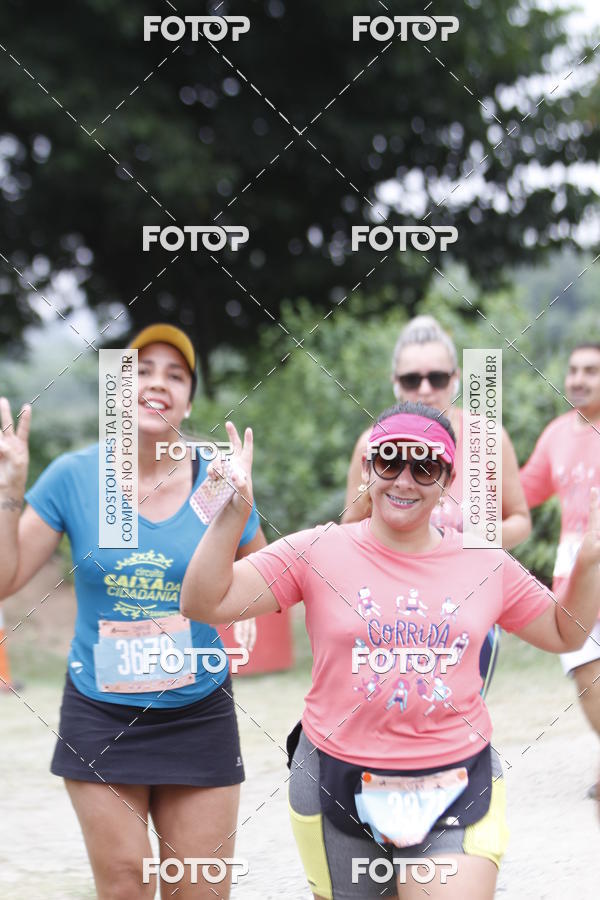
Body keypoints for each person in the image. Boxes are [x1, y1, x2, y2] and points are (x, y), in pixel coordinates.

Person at [180, 402, 600, 900]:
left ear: (447, 477)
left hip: (456, 779)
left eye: (424, 466)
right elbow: (204, 602)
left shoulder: (484, 561)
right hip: (335, 778)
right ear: (367, 469)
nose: (404, 479)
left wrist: (591, 559)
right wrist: (232, 515)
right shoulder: (319, 550)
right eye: (389, 460)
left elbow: (563, 632)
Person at [0, 323, 265, 900]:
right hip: (100, 713)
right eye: (141, 370)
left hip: (198, 711)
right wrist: (8, 489)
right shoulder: (73, 476)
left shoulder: (218, 479)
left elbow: (262, 581)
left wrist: (235, 513)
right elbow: (4, 579)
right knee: (124, 885)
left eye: (175, 375)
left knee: (198, 889)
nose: (157, 384)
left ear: (190, 399)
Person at [342, 316, 531, 694]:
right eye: (412, 379)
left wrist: (475, 536)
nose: (425, 389)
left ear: (456, 379)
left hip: (467, 609)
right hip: (389, 612)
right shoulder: (373, 444)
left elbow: (521, 521)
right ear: (395, 383)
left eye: (437, 378)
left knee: (455, 714)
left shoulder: (484, 438)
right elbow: (348, 531)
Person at [520, 342, 600, 802]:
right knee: (587, 675)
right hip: (574, 573)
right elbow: (526, 488)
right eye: (573, 370)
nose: (578, 379)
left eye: (591, 370)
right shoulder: (555, 434)